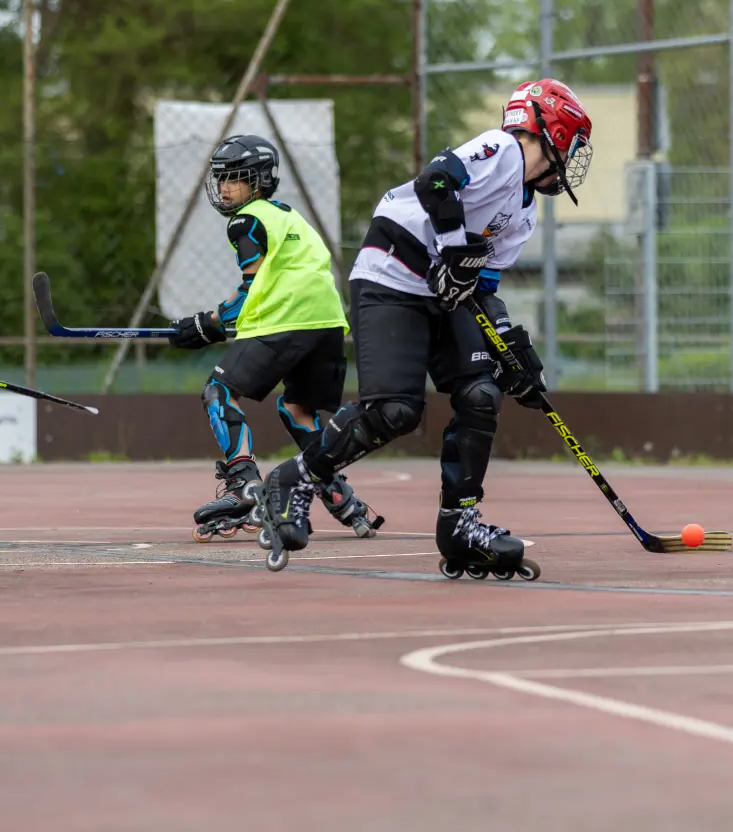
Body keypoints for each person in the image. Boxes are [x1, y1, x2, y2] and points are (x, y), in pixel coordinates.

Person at [259, 79, 593, 577]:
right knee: (395, 410)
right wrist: (457, 247)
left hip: (443, 292)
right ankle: (294, 478)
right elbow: (436, 180)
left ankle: (460, 522)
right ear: (552, 129)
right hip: (392, 273)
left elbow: (484, 285)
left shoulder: (525, 213)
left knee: (482, 393)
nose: (572, 154)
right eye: (572, 142)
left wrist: (510, 348)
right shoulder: (501, 150)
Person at [164, 134, 382, 542]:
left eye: (235, 178)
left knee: (219, 392)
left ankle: (243, 484)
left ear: (260, 181)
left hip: (285, 321)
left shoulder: (246, 221)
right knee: (297, 409)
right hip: (328, 324)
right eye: (221, 178)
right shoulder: (290, 216)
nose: (225, 186)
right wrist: (213, 323)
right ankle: (341, 496)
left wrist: (206, 323)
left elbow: (250, 289)